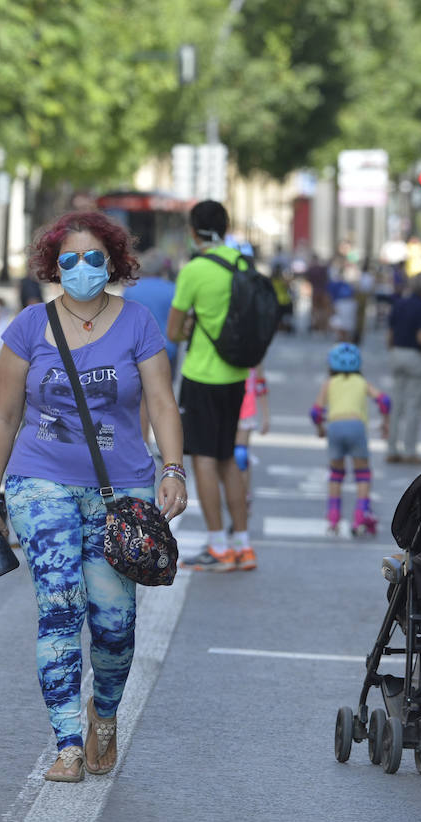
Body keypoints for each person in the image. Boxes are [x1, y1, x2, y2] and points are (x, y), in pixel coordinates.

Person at [0, 210, 186, 783]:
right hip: (40, 481)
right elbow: (6, 418)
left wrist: (173, 468)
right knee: (59, 607)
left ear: (111, 261)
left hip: (122, 490)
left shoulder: (138, 323)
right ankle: (66, 743)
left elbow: (161, 402)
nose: (81, 268)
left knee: (114, 624)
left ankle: (103, 716)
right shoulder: (29, 326)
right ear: (52, 265)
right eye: (69, 259)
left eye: (93, 257)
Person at [166, 200, 255, 572]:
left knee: (202, 457)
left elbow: (173, 331)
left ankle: (217, 544)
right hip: (236, 375)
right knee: (227, 458)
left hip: (202, 375)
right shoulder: (241, 264)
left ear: (192, 230)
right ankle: (243, 544)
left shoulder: (195, 270)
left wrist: (190, 327)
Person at [310, 343, 389, 536]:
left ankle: (333, 518)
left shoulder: (329, 383)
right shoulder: (361, 382)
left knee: (336, 474)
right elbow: (384, 401)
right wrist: (385, 423)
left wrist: (320, 428)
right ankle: (360, 516)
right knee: (362, 473)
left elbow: (316, 411)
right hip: (356, 427)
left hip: (335, 427)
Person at [386, 272, 421, 463]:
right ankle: (409, 451)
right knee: (413, 406)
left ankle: (391, 448)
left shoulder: (399, 303)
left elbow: (389, 335)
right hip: (416, 357)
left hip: (397, 353)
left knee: (397, 403)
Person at [126, 247, 178, 373]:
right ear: (163, 268)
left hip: (137, 351)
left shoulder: (130, 291)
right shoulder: (173, 289)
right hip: (168, 350)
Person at [234, 364, 271, 514]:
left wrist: (266, 416)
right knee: (225, 459)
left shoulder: (255, 356)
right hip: (224, 409)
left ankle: (244, 497)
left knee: (241, 456)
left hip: (246, 411)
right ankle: (234, 497)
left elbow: (260, 384)